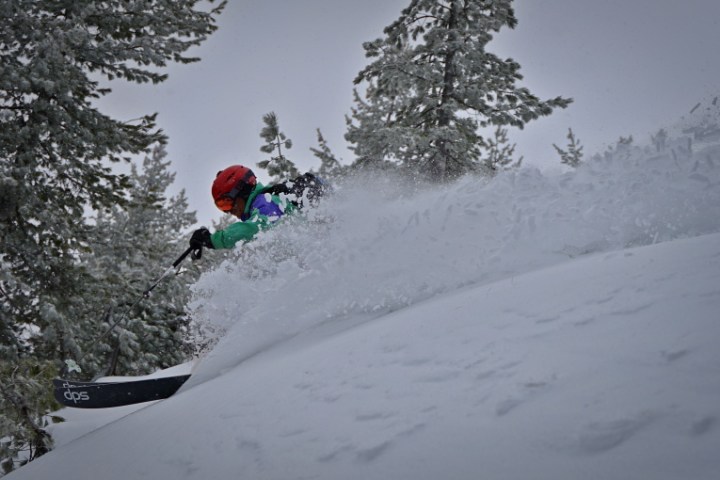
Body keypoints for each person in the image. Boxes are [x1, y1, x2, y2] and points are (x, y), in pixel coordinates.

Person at [189, 165, 325, 251]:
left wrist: (212, 240)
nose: (229, 211)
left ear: (242, 191)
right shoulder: (266, 202)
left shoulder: (267, 202)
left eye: (227, 203)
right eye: (222, 206)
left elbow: (253, 227)